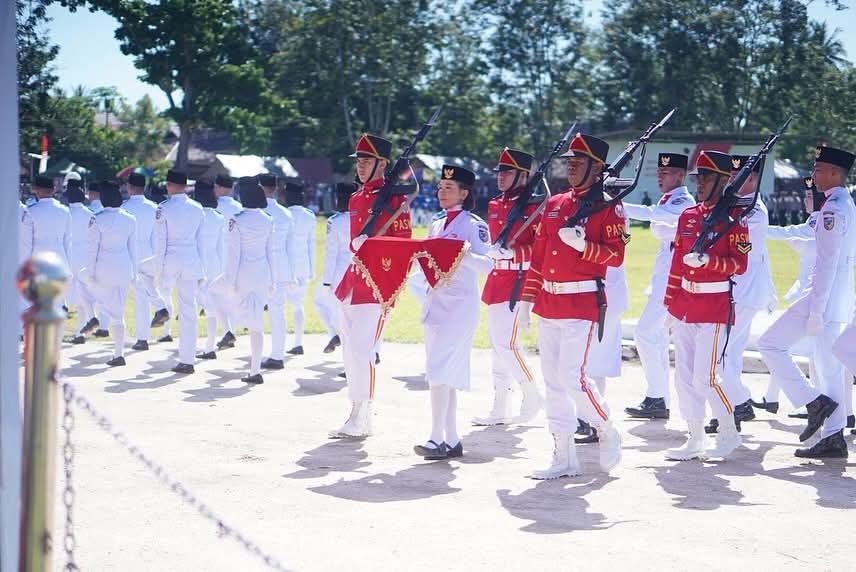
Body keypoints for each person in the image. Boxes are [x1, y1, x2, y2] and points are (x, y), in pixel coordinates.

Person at [519, 132, 626, 479]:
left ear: (597, 168)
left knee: (572, 378)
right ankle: (563, 456)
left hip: (581, 302)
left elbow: (616, 256)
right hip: (550, 302)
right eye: (570, 162)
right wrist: (527, 298)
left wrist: (583, 246)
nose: (571, 167)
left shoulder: (609, 206)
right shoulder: (555, 203)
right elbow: (538, 258)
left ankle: (606, 426)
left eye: (579, 162)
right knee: (552, 381)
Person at [758, 145, 856, 458]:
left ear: (834, 173)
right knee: (828, 368)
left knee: (770, 343)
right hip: (834, 296)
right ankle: (833, 435)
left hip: (823, 296)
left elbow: (827, 263)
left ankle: (813, 403)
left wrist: (816, 309)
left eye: (818, 170)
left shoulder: (832, 209)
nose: (813, 175)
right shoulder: (842, 203)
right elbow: (804, 234)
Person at [663, 151, 749, 461]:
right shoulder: (688, 215)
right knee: (683, 377)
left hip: (714, 306)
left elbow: (740, 265)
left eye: (707, 178)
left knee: (706, 377)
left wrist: (709, 261)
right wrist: (670, 304)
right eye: (698, 178)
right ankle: (695, 437)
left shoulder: (735, 218)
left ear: (724, 181)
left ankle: (728, 430)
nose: (700, 184)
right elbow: (676, 263)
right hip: (686, 304)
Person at [330, 134, 412, 438]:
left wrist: (373, 246)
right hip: (352, 282)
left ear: (383, 164)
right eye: (359, 161)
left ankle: (362, 414)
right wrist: (358, 244)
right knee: (349, 351)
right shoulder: (356, 197)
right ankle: (355, 410)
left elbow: (403, 245)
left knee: (362, 350)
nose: (361, 166)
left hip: (377, 284)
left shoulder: (395, 200)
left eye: (367, 161)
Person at [414, 165, 491, 460]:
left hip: (459, 307)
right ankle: (452, 439)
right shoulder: (436, 224)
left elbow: (489, 264)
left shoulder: (474, 224)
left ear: (464, 193)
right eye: (440, 187)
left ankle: (435, 439)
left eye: (449, 188)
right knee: (444, 373)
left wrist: (462, 253)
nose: (442, 193)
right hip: (435, 304)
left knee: (437, 370)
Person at [703, 155, 777, 434]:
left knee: (720, 354)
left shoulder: (754, 211)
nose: (731, 181)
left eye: (738, 177)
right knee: (728, 354)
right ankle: (732, 407)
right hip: (737, 291)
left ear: (753, 179)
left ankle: (739, 403)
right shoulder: (735, 205)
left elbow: (728, 235)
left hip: (744, 292)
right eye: (731, 176)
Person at [623, 153, 695, 420]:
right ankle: (659, 399)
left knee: (644, 333)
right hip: (664, 277)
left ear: (680, 175)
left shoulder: (683, 203)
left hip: (673, 280)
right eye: (659, 173)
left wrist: (619, 205)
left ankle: (657, 397)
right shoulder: (669, 200)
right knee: (658, 338)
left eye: (666, 173)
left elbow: (657, 216)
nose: (660, 177)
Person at [476, 148, 543, 426]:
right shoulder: (495, 204)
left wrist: (515, 254)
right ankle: (500, 406)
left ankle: (532, 393)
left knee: (507, 343)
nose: (501, 177)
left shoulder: (536, 207)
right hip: (498, 279)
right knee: (497, 345)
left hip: (519, 280)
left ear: (523, 175)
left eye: (507, 172)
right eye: (500, 172)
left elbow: (541, 249)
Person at [153, 169, 207, 374]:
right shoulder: (197, 208)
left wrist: (158, 271)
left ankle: (160, 308)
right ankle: (187, 360)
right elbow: (201, 241)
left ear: (169, 185)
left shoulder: (163, 208)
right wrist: (202, 270)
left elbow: (160, 242)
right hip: (191, 259)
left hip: (171, 259)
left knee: (145, 278)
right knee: (189, 311)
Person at [224, 177, 275, 384]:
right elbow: (270, 252)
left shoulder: (236, 220)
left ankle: (233, 333)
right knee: (257, 323)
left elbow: (234, 254)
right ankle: (255, 370)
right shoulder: (268, 219)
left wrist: (230, 281)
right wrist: (272, 279)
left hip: (243, 273)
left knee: (237, 312)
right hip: (262, 273)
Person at [84, 181, 137, 366]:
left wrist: (90, 272)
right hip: (124, 268)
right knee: (118, 312)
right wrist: (134, 274)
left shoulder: (96, 219)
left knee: (92, 297)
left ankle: (94, 318)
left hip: (103, 268)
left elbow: (92, 249)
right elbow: (133, 249)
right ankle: (118, 353)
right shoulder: (130, 219)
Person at [124, 172, 172, 351]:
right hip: (150, 254)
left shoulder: (124, 208)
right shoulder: (154, 208)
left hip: (131, 255)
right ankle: (159, 312)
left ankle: (142, 338)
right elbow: (157, 237)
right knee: (148, 293)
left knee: (140, 299)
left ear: (129, 187)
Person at [259, 173, 296, 369]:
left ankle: (256, 354)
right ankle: (277, 355)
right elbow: (291, 247)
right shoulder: (286, 213)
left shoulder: (256, 212)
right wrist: (292, 273)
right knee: (278, 312)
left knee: (254, 311)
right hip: (281, 266)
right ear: (275, 189)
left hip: (261, 266)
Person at [314, 182, 355, 354]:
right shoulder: (363, 218)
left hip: (339, 272)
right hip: (359, 270)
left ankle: (334, 335)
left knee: (320, 301)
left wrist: (326, 281)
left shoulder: (335, 221)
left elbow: (331, 253)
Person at [192, 180, 226, 360]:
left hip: (198, 262)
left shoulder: (195, 215)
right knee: (211, 306)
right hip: (214, 263)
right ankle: (210, 346)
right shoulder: (218, 216)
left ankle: (196, 347)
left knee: (195, 304)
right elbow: (221, 247)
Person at [283, 182, 317, 355]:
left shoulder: (284, 215)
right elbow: (312, 245)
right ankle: (298, 342)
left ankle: (279, 346)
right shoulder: (309, 216)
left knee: (279, 307)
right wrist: (312, 270)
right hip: (303, 266)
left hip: (286, 267)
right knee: (298, 305)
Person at [65, 179, 96, 344]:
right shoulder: (90, 213)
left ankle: (67, 333)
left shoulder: (65, 213)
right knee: (83, 295)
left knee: (63, 296)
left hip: (69, 255)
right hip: (85, 256)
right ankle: (80, 332)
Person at [214, 174, 241, 350]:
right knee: (231, 295)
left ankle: (227, 331)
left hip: (217, 254)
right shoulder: (239, 207)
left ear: (221, 188)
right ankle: (231, 330)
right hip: (235, 255)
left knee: (214, 295)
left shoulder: (215, 206)